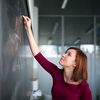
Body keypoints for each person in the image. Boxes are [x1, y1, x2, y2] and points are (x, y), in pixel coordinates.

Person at [23, 16, 92, 100]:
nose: (63, 55)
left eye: (69, 54)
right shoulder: (57, 73)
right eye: (66, 52)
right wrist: (28, 29)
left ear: (75, 63)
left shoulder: (83, 88)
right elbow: (38, 55)